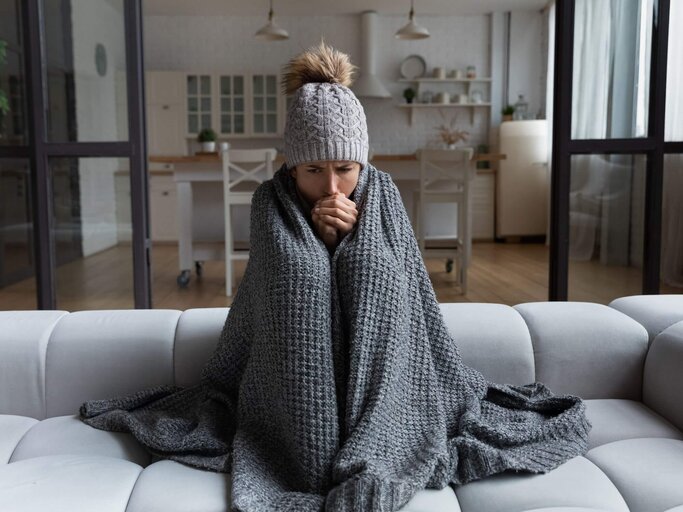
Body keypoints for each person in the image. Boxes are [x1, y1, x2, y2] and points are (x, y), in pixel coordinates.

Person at [79, 41, 591, 512]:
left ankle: (375, 427)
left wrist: (348, 246)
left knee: (372, 272)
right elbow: (281, 290)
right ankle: (308, 439)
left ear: (361, 162)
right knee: (300, 276)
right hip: (285, 379)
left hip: (389, 366)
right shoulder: (270, 202)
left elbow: (401, 289)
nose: (332, 185)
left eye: (345, 168)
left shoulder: (381, 193)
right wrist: (318, 245)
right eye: (313, 171)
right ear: (291, 168)